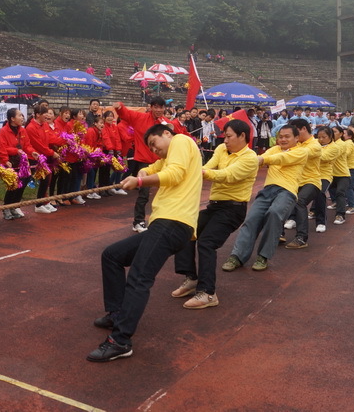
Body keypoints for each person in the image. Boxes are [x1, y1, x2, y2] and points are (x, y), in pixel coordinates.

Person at [87, 124, 202, 362]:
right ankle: (117, 313)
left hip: (172, 222)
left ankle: (120, 341)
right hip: (166, 224)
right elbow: (154, 168)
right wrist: (142, 173)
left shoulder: (181, 141)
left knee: (139, 277)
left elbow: (175, 174)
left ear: (167, 134)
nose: (154, 150)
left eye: (154, 143)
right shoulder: (171, 154)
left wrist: (140, 183)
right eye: (149, 147)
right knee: (112, 255)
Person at [172, 119, 258, 309]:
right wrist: (193, 171)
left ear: (242, 136)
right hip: (215, 207)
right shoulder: (221, 150)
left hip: (233, 209)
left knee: (207, 243)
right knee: (187, 231)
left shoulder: (250, 158)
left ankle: (208, 293)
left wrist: (199, 174)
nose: (225, 141)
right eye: (224, 137)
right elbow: (210, 166)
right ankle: (192, 278)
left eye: (228, 136)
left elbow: (228, 175)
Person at [221, 125, 307, 272]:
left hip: (287, 192)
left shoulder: (301, 151)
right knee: (251, 219)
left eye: (287, 136)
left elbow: (281, 158)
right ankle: (237, 256)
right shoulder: (273, 149)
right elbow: (256, 163)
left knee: (274, 214)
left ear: (296, 138)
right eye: (280, 136)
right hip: (268, 190)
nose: (283, 139)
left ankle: (263, 256)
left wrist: (261, 159)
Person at [114, 96, 187, 233]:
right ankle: (138, 221)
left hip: (162, 163)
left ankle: (165, 220)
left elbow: (176, 139)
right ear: (151, 107)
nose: (159, 110)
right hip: (144, 163)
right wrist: (119, 106)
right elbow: (126, 113)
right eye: (156, 107)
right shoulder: (140, 118)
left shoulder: (166, 123)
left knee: (167, 192)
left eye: (161, 107)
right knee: (144, 194)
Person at [282, 119, 322, 249]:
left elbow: (300, 155)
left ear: (304, 129)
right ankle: (278, 233)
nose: (293, 136)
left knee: (300, 202)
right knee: (278, 200)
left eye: (295, 132)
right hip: (294, 182)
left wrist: (285, 152)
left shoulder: (315, 145)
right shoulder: (296, 143)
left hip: (311, 181)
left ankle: (301, 237)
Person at [0, 108, 38, 220]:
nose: (22, 117)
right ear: (12, 119)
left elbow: (27, 145)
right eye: (19, 115)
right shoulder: (4, 131)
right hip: (10, 162)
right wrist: (15, 151)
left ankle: (14, 205)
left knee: (23, 183)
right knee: (13, 185)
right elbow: (2, 148)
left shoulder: (22, 130)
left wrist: (32, 152)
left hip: (22, 162)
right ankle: (6, 207)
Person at [25, 105, 63, 212]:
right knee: (44, 178)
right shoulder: (31, 128)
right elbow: (39, 145)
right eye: (44, 113)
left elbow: (51, 138)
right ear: (37, 115)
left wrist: (65, 140)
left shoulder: (44, 125)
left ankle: (43, 202)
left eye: (47, 113)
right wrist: (52, 153)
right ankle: (39, 204)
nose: (47, 115)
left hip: (44, 156)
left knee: (46, 179)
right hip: (34, 157)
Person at [327, 125, 351, 225]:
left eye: (335, 132)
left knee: (340, 192)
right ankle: (314, 211)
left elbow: (329, 156)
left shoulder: (341, 144)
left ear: (341, 134)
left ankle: (340, 215)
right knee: (319, 192)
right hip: (330, 174)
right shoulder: (329, 144)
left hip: (342, 174)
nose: (333, 134)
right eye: (331, 132)